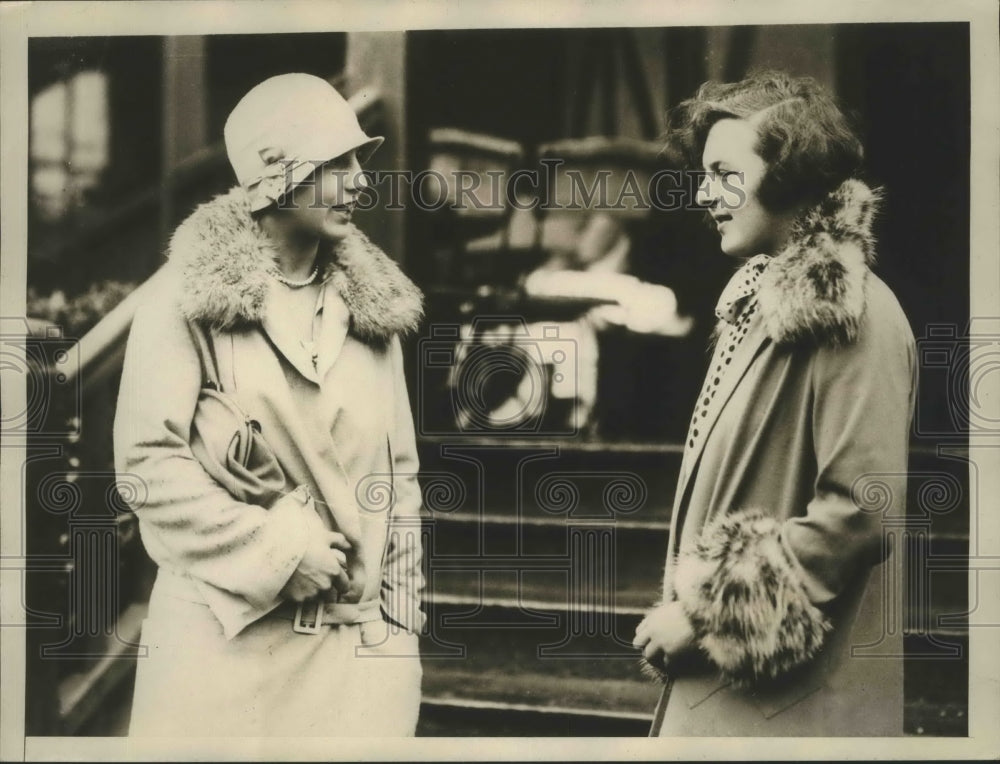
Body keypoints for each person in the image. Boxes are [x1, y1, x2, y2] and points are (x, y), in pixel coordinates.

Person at [114, 73, 426, 737]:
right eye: (336, 164)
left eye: (359, 162)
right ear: (276, 174)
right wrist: (280, 552)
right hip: (221, 657)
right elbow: (148, 467)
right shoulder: (185, 300)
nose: (360, 183)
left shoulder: (375, 308)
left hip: (354, 666)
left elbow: (399, 480)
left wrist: (400, 632)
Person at [633, 71, 916, 736]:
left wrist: (705, 616)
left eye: (726, 173)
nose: (704, 193)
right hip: (738, 699)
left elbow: (860, 511)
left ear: (789, 177)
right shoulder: (763, 307)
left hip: (791, 710)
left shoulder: (853, 313)